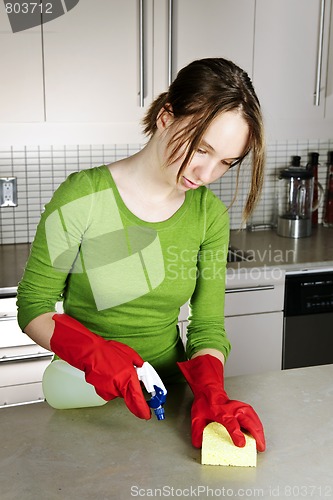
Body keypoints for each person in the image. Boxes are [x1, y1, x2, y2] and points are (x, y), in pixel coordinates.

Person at [17, 58, 266, 452]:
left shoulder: (208, 215)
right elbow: (33, 305)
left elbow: (206, 328)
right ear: (167, 117)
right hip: (85, 394)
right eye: (201, 148)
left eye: (226, 163)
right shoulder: (84, 196)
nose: (205, 174)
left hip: (168, 402)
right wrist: (96, 354)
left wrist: (211, 393)